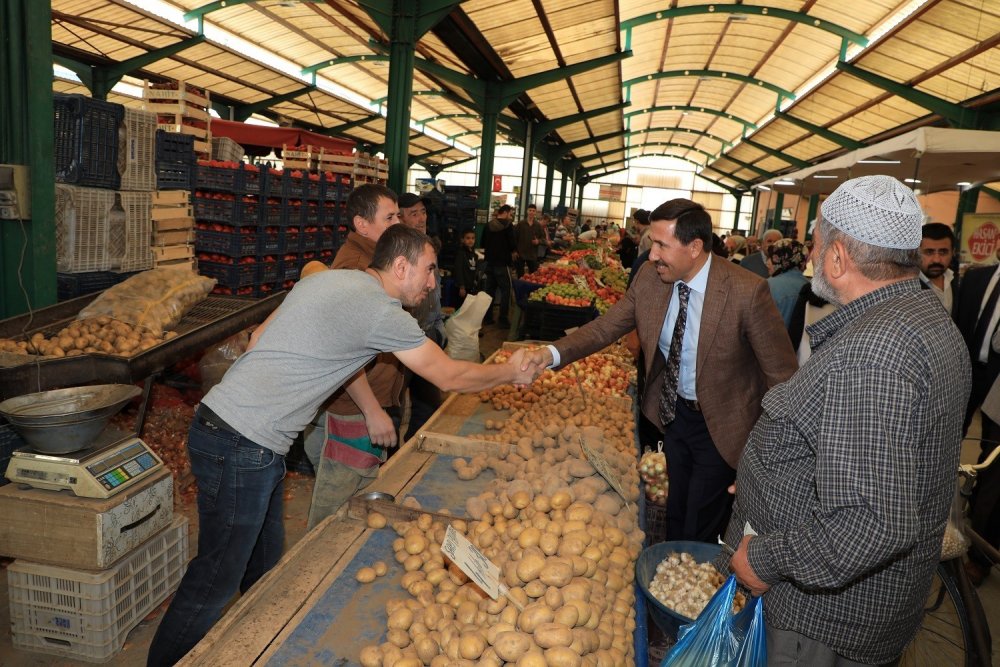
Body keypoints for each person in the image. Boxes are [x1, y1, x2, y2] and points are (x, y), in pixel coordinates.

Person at [147, 225, 541, 667]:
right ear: (400, 266)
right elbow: (449, 376)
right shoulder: (381, 311)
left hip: (230, 430)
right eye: (429, 271)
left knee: (264, 567)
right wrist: (509, 372)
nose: (433, 283)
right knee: (215, 578)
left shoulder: (329, 280)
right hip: (244, 444)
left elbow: (261, 340)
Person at [725, 175, 971, 666]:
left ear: (838, 257)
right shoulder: (922, 314)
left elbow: (872, 522)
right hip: (865, 608)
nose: (812, 256)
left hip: (818, 623)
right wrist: (767, 477)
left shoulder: (873, 354)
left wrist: (764, 558)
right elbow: (879, 457)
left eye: (817, 244)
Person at [520, 198, 796, 543]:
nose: (651, 255)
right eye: (652, 244)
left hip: (724, 423)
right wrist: (549, 354)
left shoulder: (745, 291)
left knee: (701, 517)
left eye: (662, 245)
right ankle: (671, 565)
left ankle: (693, 581)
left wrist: (771, 454)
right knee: (674, 504)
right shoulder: (651, 279)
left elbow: (782, 377)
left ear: (694, 247)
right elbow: (606, 327)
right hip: (673, 415)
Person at [303, 184, 402, 530]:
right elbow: (340, 349)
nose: (397, 223)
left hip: (363, 408)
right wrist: (373, 411)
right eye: (389, 217)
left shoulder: (376, 262)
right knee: (332, 518)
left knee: (358, 505)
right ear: (362, 224)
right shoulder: (357, 270)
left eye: (398, 215)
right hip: (348, 413)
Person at [954, 247, 1000, 586]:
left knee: (994, 466)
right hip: (966, 372)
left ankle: (980, 557)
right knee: (944, 443)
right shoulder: (976, 278)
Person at [481, 204, 516, 327]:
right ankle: (503, 319)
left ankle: (488, 318)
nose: (510, 216)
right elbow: (512, 245)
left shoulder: (488, 225)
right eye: (510, 214)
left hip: (489, 263)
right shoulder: (508, 226)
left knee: (489, 292)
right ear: (505, 213)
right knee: (506, 291)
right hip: (502, 264)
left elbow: (483, 243)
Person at [918, 222, 960, 316]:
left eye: (943, 252)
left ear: (953, 252)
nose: (936, 260)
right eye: (929, 252)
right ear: (916, 253)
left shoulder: (957, 281)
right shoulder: (906, 287)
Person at [766, 239, 809, 329]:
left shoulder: (767, 286)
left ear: (784, 258)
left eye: (772, 257)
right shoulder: (810, 287)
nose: (767, 263)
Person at [515, 203, 546, 276]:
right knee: (520, 274)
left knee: (533, 274)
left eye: (533, 211)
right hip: (520, 253)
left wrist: (538, 241)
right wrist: (514, 251)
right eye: (530, 210)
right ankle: (520, 286)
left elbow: (543, 239)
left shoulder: (538, 225)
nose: (531, 212)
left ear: (535, 212)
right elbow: (514, 238)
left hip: (532, 254)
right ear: (527, 211)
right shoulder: (520, 224)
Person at [452, 229, 480, 304]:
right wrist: (462, 286)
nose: (470, 240)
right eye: (468, 238)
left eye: (473, 238)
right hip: (463, 288)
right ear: (462, 240)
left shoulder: (475, 255)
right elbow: (458, 270)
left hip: (471, 287)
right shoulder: (460, 253)